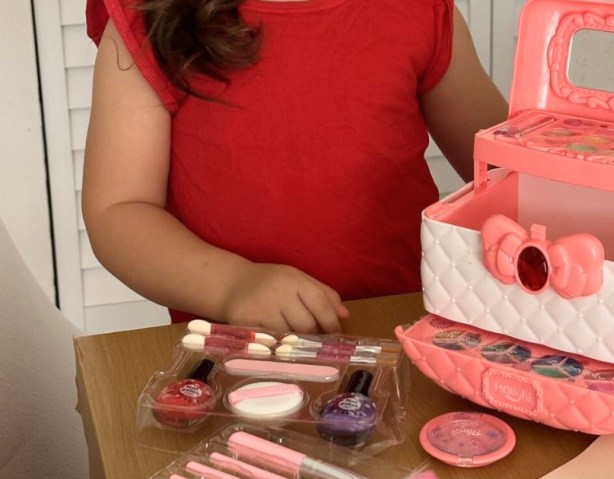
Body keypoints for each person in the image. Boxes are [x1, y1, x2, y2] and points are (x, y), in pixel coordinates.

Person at [83, 0, 508, 334]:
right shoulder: (150, 18)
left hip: (404, 328)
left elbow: (508, 170)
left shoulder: (420, 9)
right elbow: (119, 210)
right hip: (236, 349)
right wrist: (233, 285)